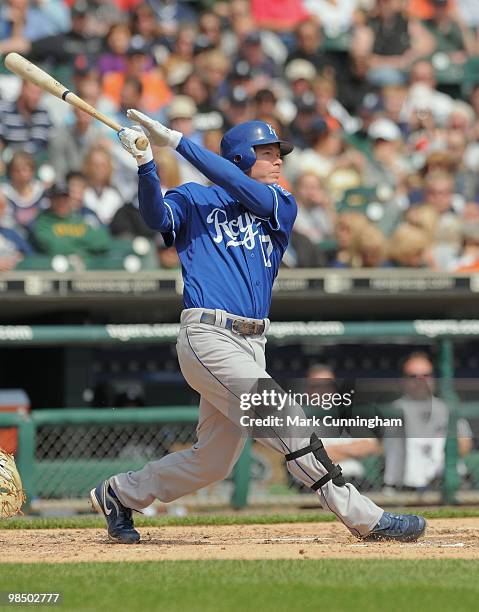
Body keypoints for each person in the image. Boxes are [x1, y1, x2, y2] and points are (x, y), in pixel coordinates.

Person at [90, 113, 426, 544]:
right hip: (208, 334)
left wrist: (178, 142)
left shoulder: (279, 203)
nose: (278, 162)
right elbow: (156, 217)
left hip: (253, 343)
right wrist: (146, 166)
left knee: (213, 462)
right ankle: (364, 517)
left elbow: (238, 185)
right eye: (267, 154)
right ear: (240, 156)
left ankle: (119, 493)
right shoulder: (194, 198)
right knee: (287, 417)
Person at [383, 352, 472, 490]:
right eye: (413, 376)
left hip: (443, 480)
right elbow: (375, 446)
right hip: (405, 484)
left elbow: (465, 445)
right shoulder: (393, 410)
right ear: (403, 380)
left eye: (426, 375)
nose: (420, 381)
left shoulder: (446, 407)